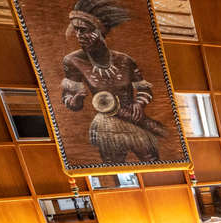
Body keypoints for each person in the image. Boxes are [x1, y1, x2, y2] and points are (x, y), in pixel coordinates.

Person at [60, 0, 166, 163]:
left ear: (99, 31)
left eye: (84, 30)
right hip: (107, 126)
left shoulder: (125, 60)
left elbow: (144, 89)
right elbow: (69, 99)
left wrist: (139, 104)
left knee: (152, 160)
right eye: (76, 30)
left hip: (134, 120)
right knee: (113, 164)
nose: (79, 35)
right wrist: (75, 100)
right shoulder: (74, 61)